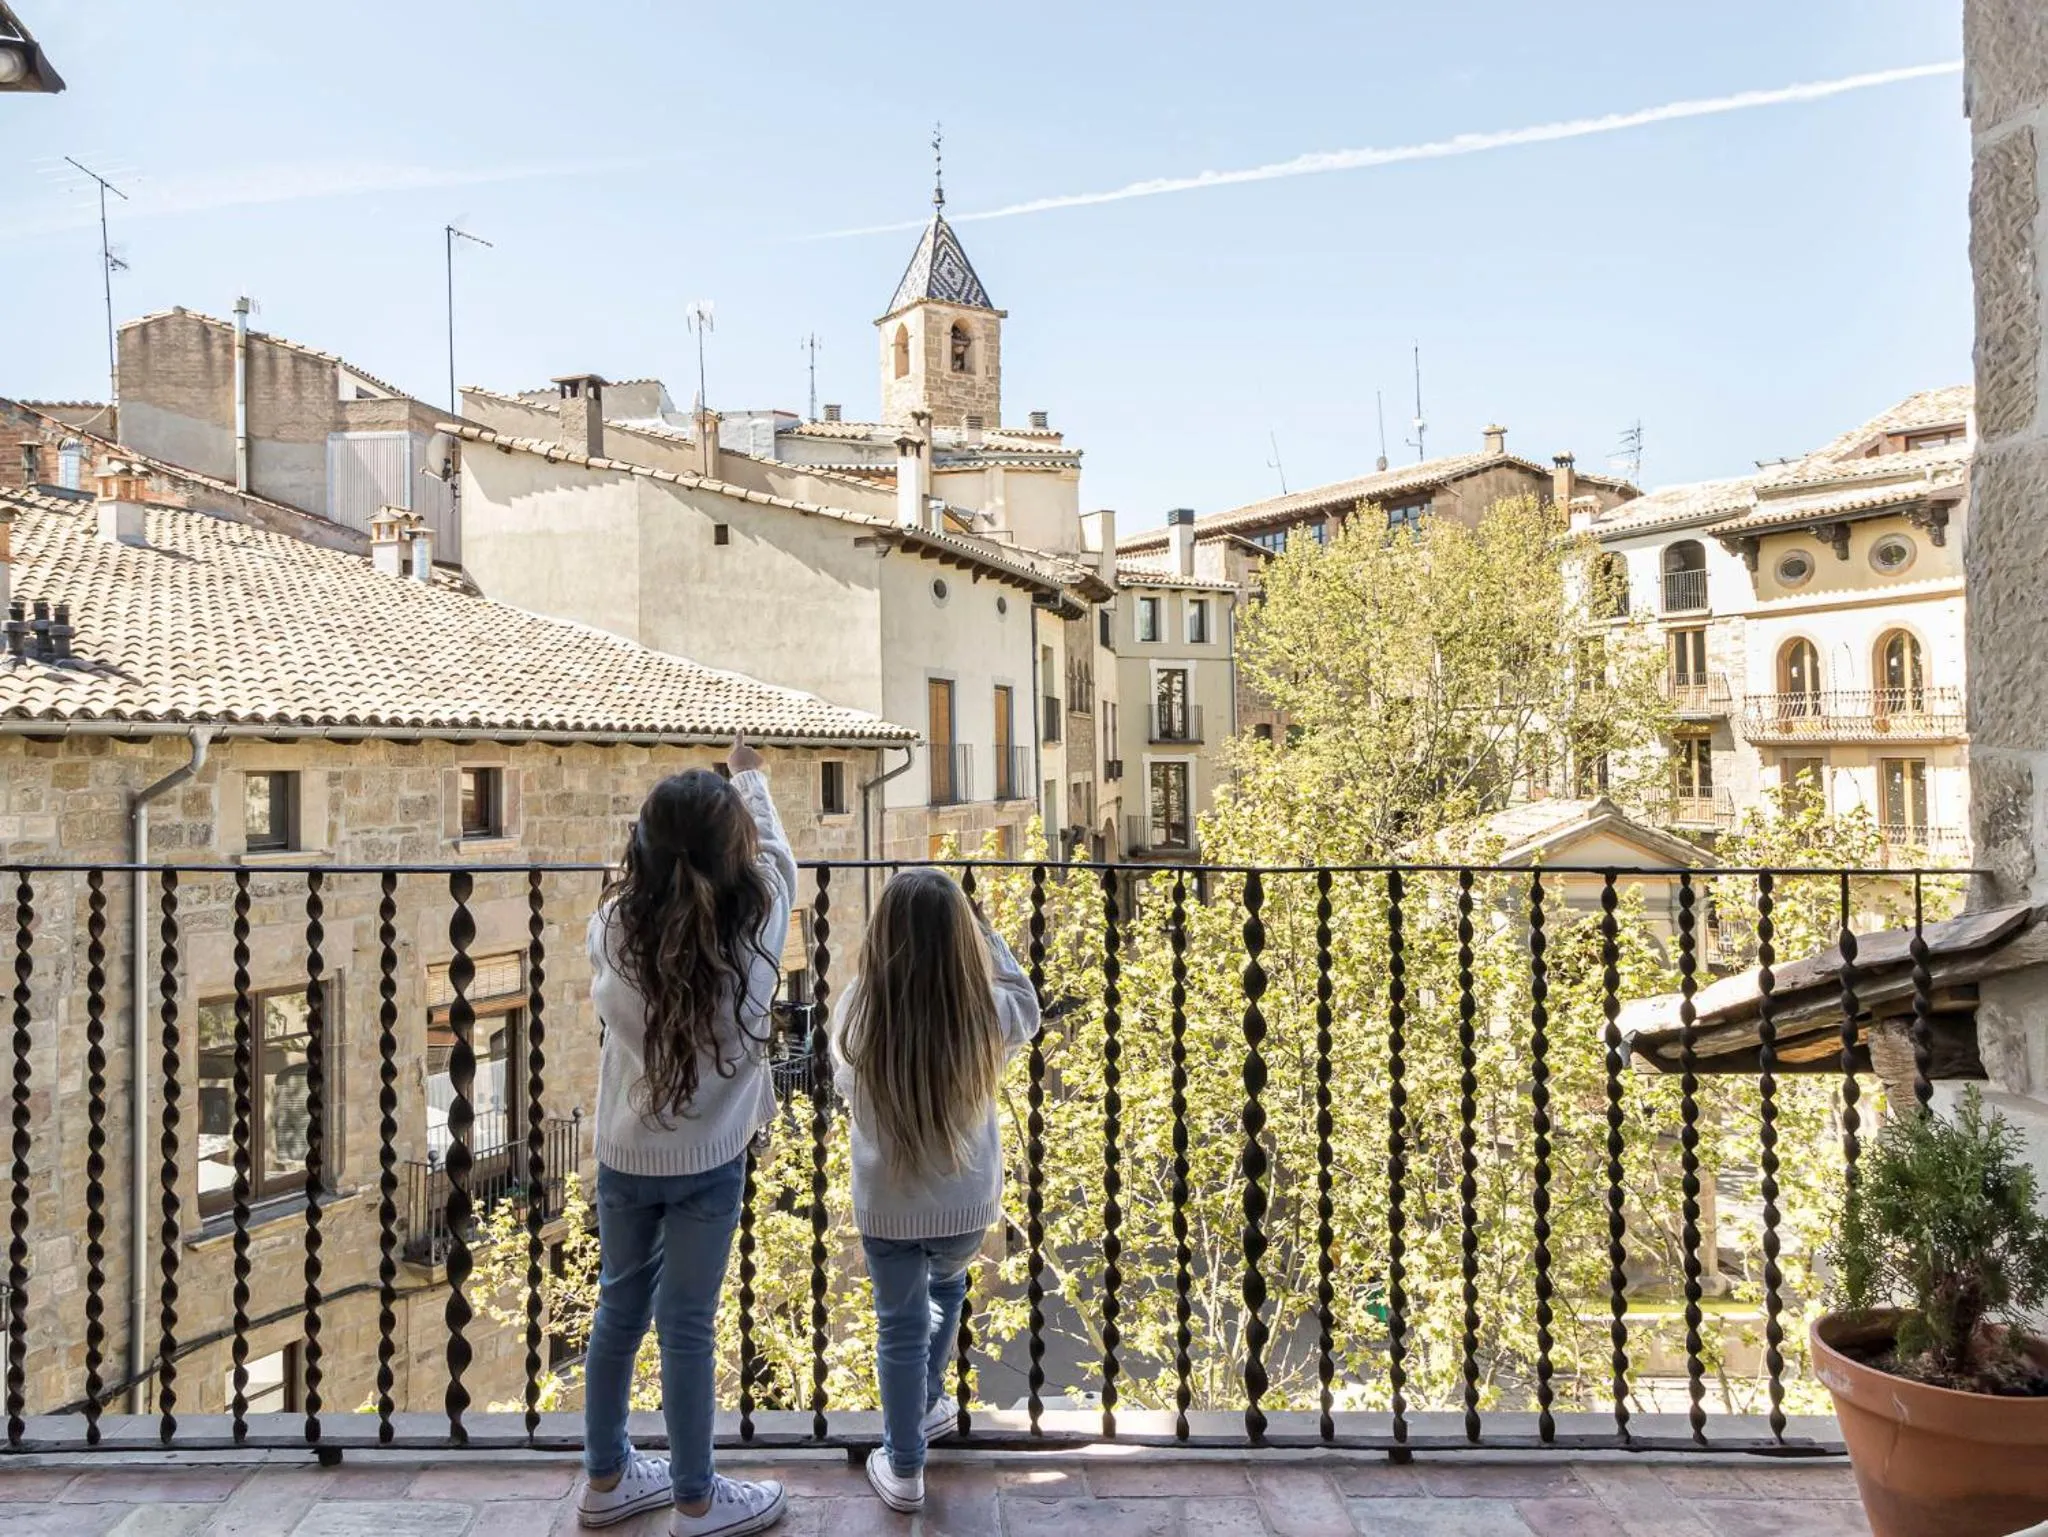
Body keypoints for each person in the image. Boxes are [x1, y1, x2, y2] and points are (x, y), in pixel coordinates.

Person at [574, 738, 794, 1537]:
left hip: (624, 1154)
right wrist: (749, 775)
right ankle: (696, 1498)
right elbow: (775, 854)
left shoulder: (613, 929)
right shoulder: (761, 923)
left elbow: (640, 889)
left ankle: (605, 1478)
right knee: (689, 1324)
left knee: (618, 1313)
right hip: (710, 1161)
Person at [832, 867, 1041, 1513]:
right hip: (964, 1203)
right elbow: (1028, 1003)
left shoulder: (860, 1008)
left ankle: (904, 1463)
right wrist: (987, 935)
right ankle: (924, 1407)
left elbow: (844, 1083)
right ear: (961, 940)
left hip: (888, 1203)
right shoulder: (984, 1010)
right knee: (947, 1289)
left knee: (897, 1326)